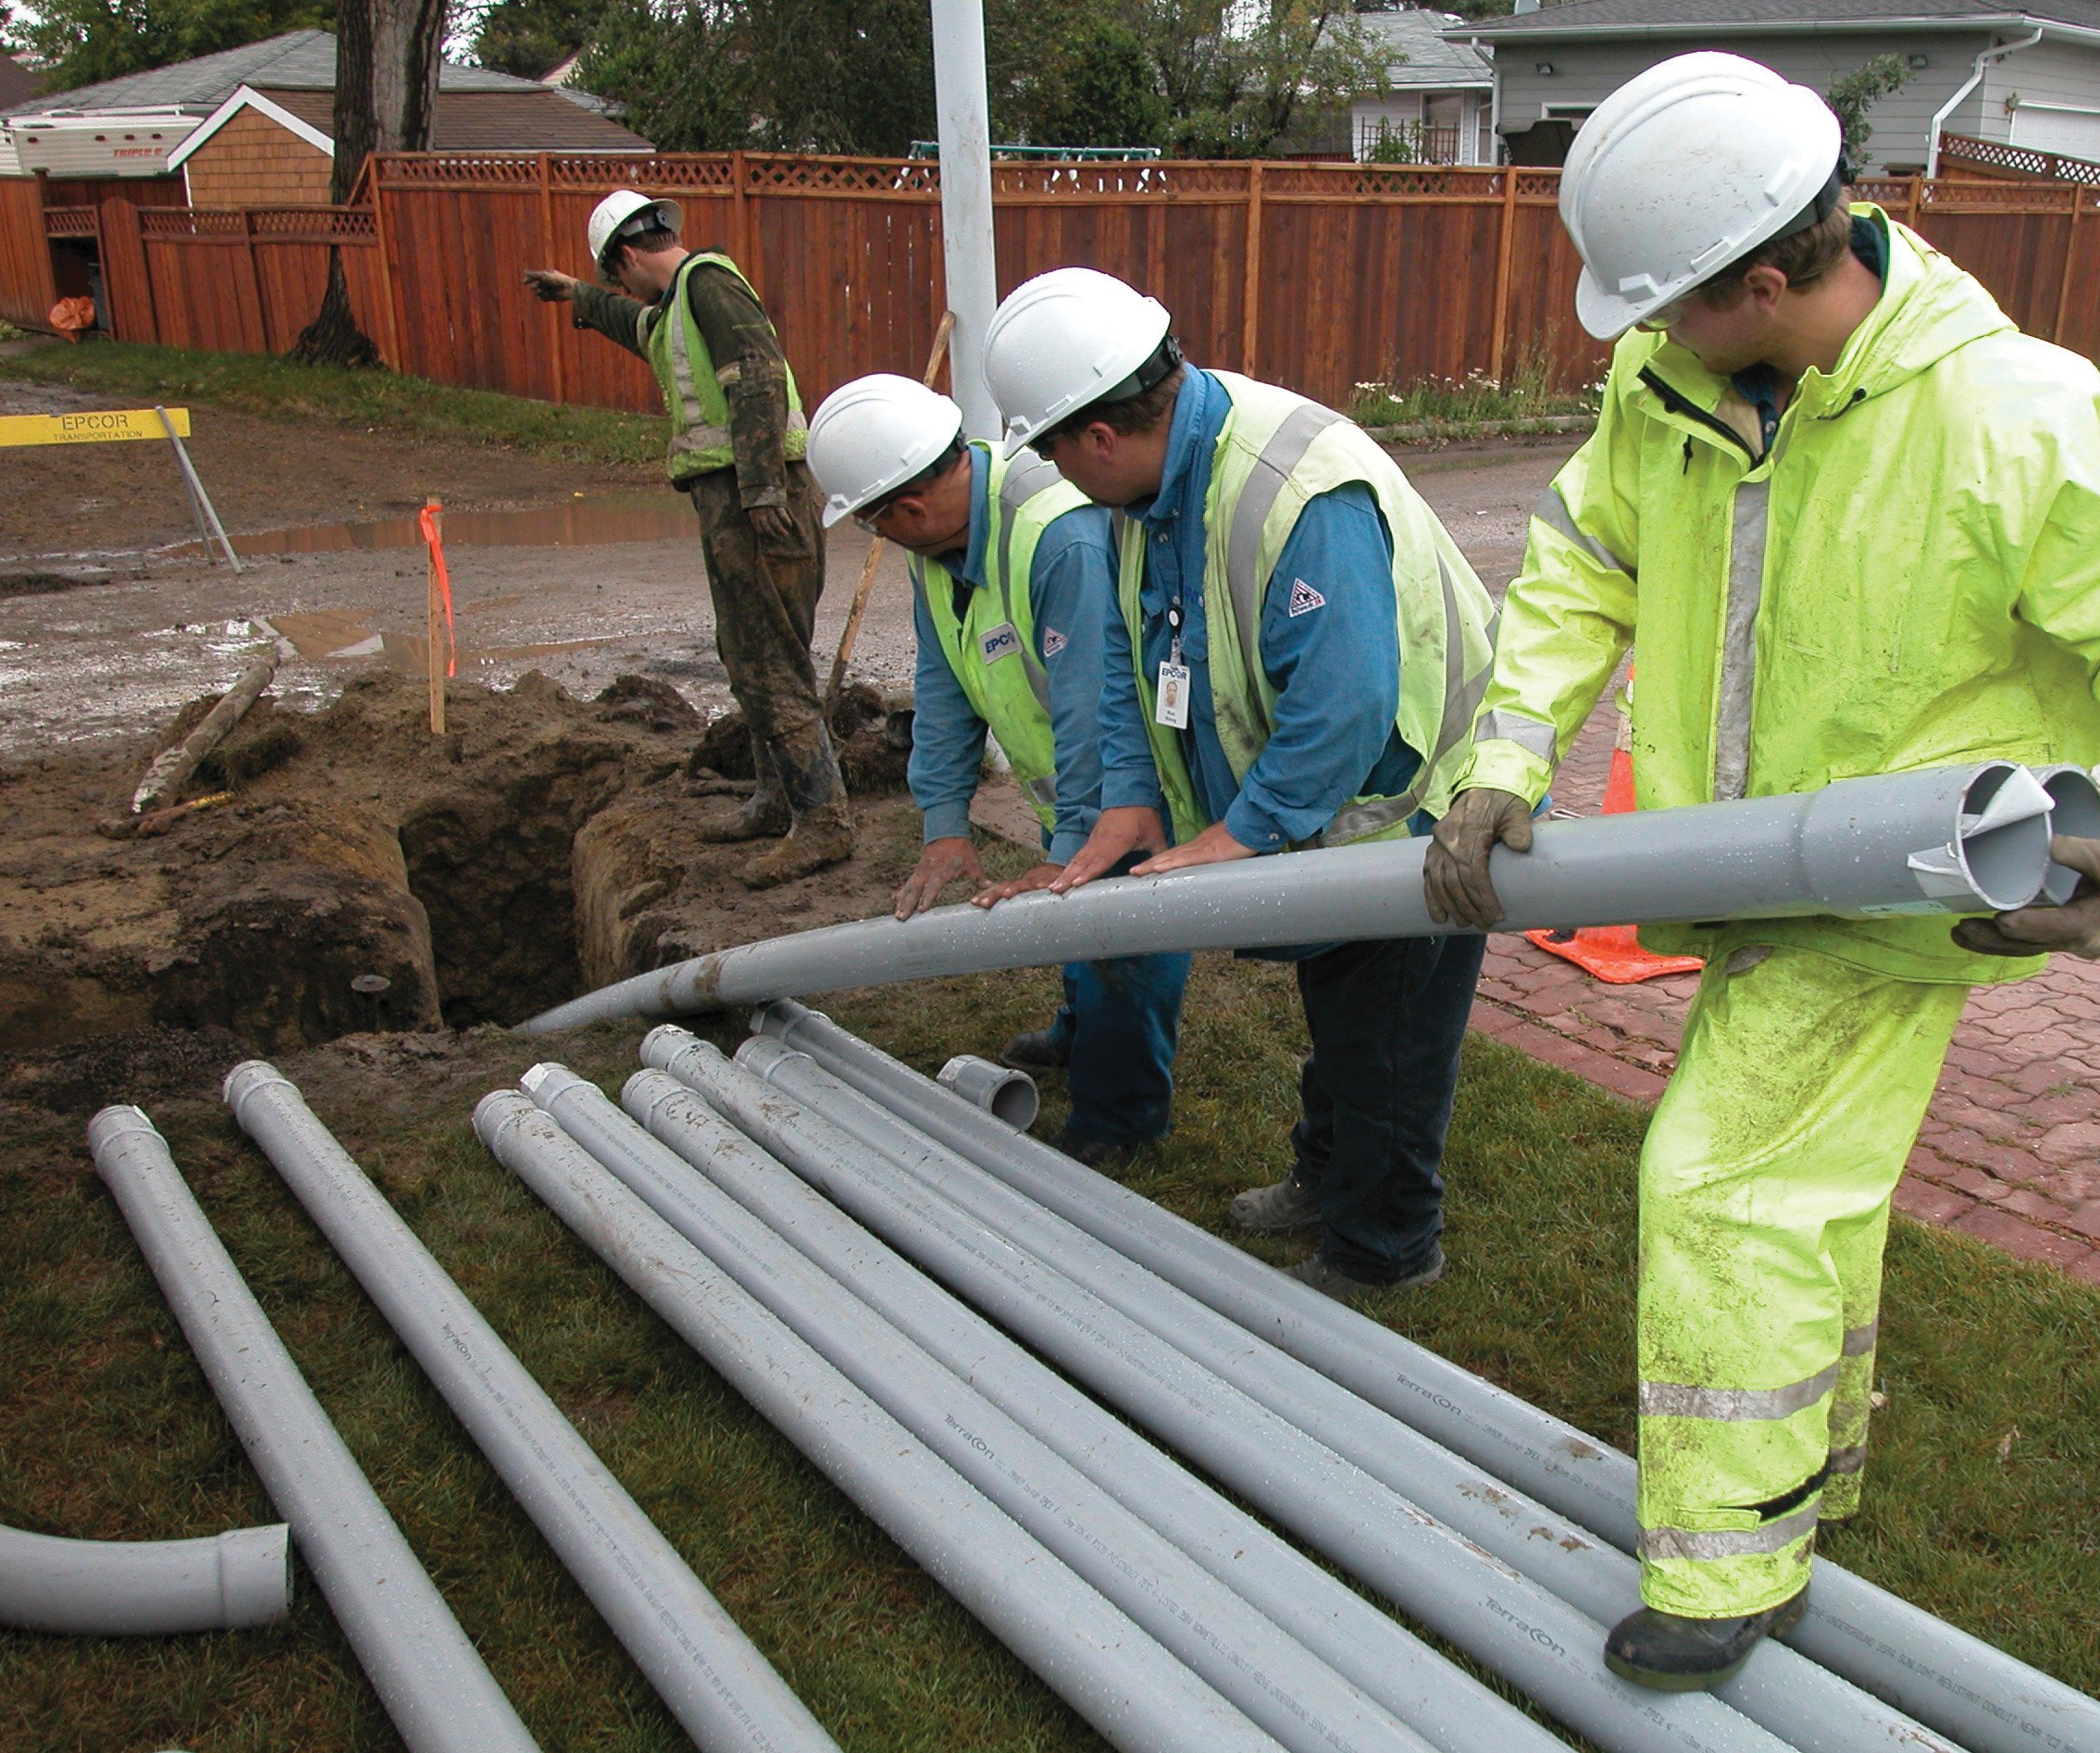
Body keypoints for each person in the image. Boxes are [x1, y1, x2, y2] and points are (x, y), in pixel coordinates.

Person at [1423, 53, 2100, 1691]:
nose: (1639, 338)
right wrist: (1505, 759)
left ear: (1765, 279)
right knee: (1815, 1183)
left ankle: (1728, 1561)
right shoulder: (1670, 392)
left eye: (1665, 305)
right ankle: (1819, 1471)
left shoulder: (2009, 411)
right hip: (1743, 872)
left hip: (1905, 886)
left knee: (1720, 1181)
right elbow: (1577, 567)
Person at [983, 268, 1498, 1301]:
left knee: (1388, 1039)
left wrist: (1250, 828)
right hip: (1325, 817)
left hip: (1410, 813)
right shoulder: (1152, 490)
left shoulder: (1291, 488)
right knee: (1339, 1008)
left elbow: (1347, 696)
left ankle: (1385, 1247)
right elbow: (1141, 662)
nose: (1057, 480)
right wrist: (1135, 796)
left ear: (1095, 439)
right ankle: (1325, 1172)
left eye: (1051, 455)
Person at [805, 373, 1192, 1166]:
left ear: (905, 511)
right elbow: (943, 685)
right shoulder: (940, 543)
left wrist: (1077, 839)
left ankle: (1119, 1117)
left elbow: (1096, 714)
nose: (883, 540)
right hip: (1070, 786)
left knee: (1122, 930)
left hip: (1130, 788)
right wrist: (945, 824)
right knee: (1075, 911)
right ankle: (1082, 1027)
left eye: (876, 525)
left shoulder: (1059, 539)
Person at [525, 190, 850, 886]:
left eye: (614, 275)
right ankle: (777, 798)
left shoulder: (708, 284)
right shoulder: (680, 305)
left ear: (631, 254)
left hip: (759, 494)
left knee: (771, 659)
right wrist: (578, 295)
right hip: (734, 496)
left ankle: (822, 821)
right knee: (747, 652)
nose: (622, 288)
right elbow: (636, 321)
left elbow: (757, 375)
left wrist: (761, 488)